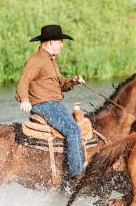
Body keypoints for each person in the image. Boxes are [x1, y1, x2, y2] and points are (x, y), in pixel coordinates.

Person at [15, 24, 85, 180]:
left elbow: (61, 84)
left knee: (74, 129)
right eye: (60, 41)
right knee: (73, 130)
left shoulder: (50, 60)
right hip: (45, 104)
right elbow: (23, 80)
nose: (61, 45)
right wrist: (24, 99)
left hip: (53, 103)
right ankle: (77, 174)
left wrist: (73, 81)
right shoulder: (37, 60)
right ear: (51, 42)